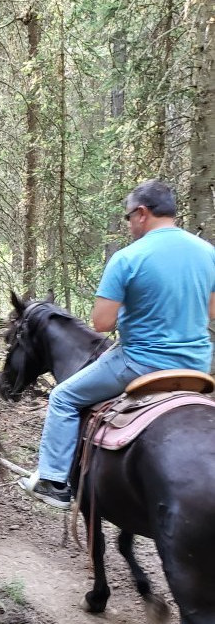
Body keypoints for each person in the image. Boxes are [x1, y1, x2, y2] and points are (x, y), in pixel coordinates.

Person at [20, 179, 215, 509]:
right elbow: (211, 311)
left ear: (142, 213)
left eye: (127, 217)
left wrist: (139, 307)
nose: (127, 225)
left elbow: (102, 322)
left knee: (63, 396)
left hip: (141, 362)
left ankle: (53, 480)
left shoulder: (129, 257)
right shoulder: (208, 252)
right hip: (197, 366)